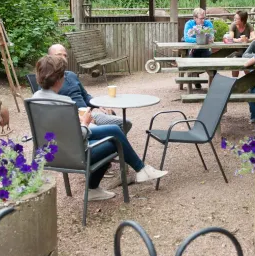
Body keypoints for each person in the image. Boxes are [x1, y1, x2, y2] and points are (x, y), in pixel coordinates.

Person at [32, 55, 168, 201]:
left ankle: (141, 170)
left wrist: (78, 122)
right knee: (114, 143)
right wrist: (85, 123)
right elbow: (79, 136)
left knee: (114, 130)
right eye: (63, 75)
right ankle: (94, 188)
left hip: (52, 153)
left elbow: (57, 130)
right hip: (76, 156)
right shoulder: (64, 103)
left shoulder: (34, 99)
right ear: (59, 79)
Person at [47, 44, 132, 133]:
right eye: (59, 55)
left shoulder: (72, 75)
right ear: (49, 58)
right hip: (73, 122)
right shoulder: (48, 81)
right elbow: (54, 112)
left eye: (65, 55)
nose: (63, 58)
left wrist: (99, 105)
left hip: (88, 115)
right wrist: (83, 121)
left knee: (125, 123)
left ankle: (112, 141)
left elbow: (86, 96)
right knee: (113, 130)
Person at [183, 8, 214, 88]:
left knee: (212, 64)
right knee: (191, 64)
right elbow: (187, 38)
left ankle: (213, 85)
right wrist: (200, 40)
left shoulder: (208, 23)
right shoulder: (189, 24)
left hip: (205, 49)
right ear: (195, 18)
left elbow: (212, 37)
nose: (203, 20)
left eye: (204, 18)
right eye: (201, 18)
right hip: (193, 49)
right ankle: (194, 80)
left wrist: (210, 39)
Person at [229, 10, 255, 77]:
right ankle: (234, 81)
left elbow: (254, 38)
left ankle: (249, 81)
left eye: (237, 18)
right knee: (235, 65)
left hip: (246, 52)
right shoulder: (233, 25)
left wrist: (248, 40)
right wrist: (238, 40)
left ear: (243, 20)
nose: (234, 19)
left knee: (247, 67)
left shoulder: (248, 25)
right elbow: (230, 38)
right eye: (234, 18)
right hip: (235, 52)